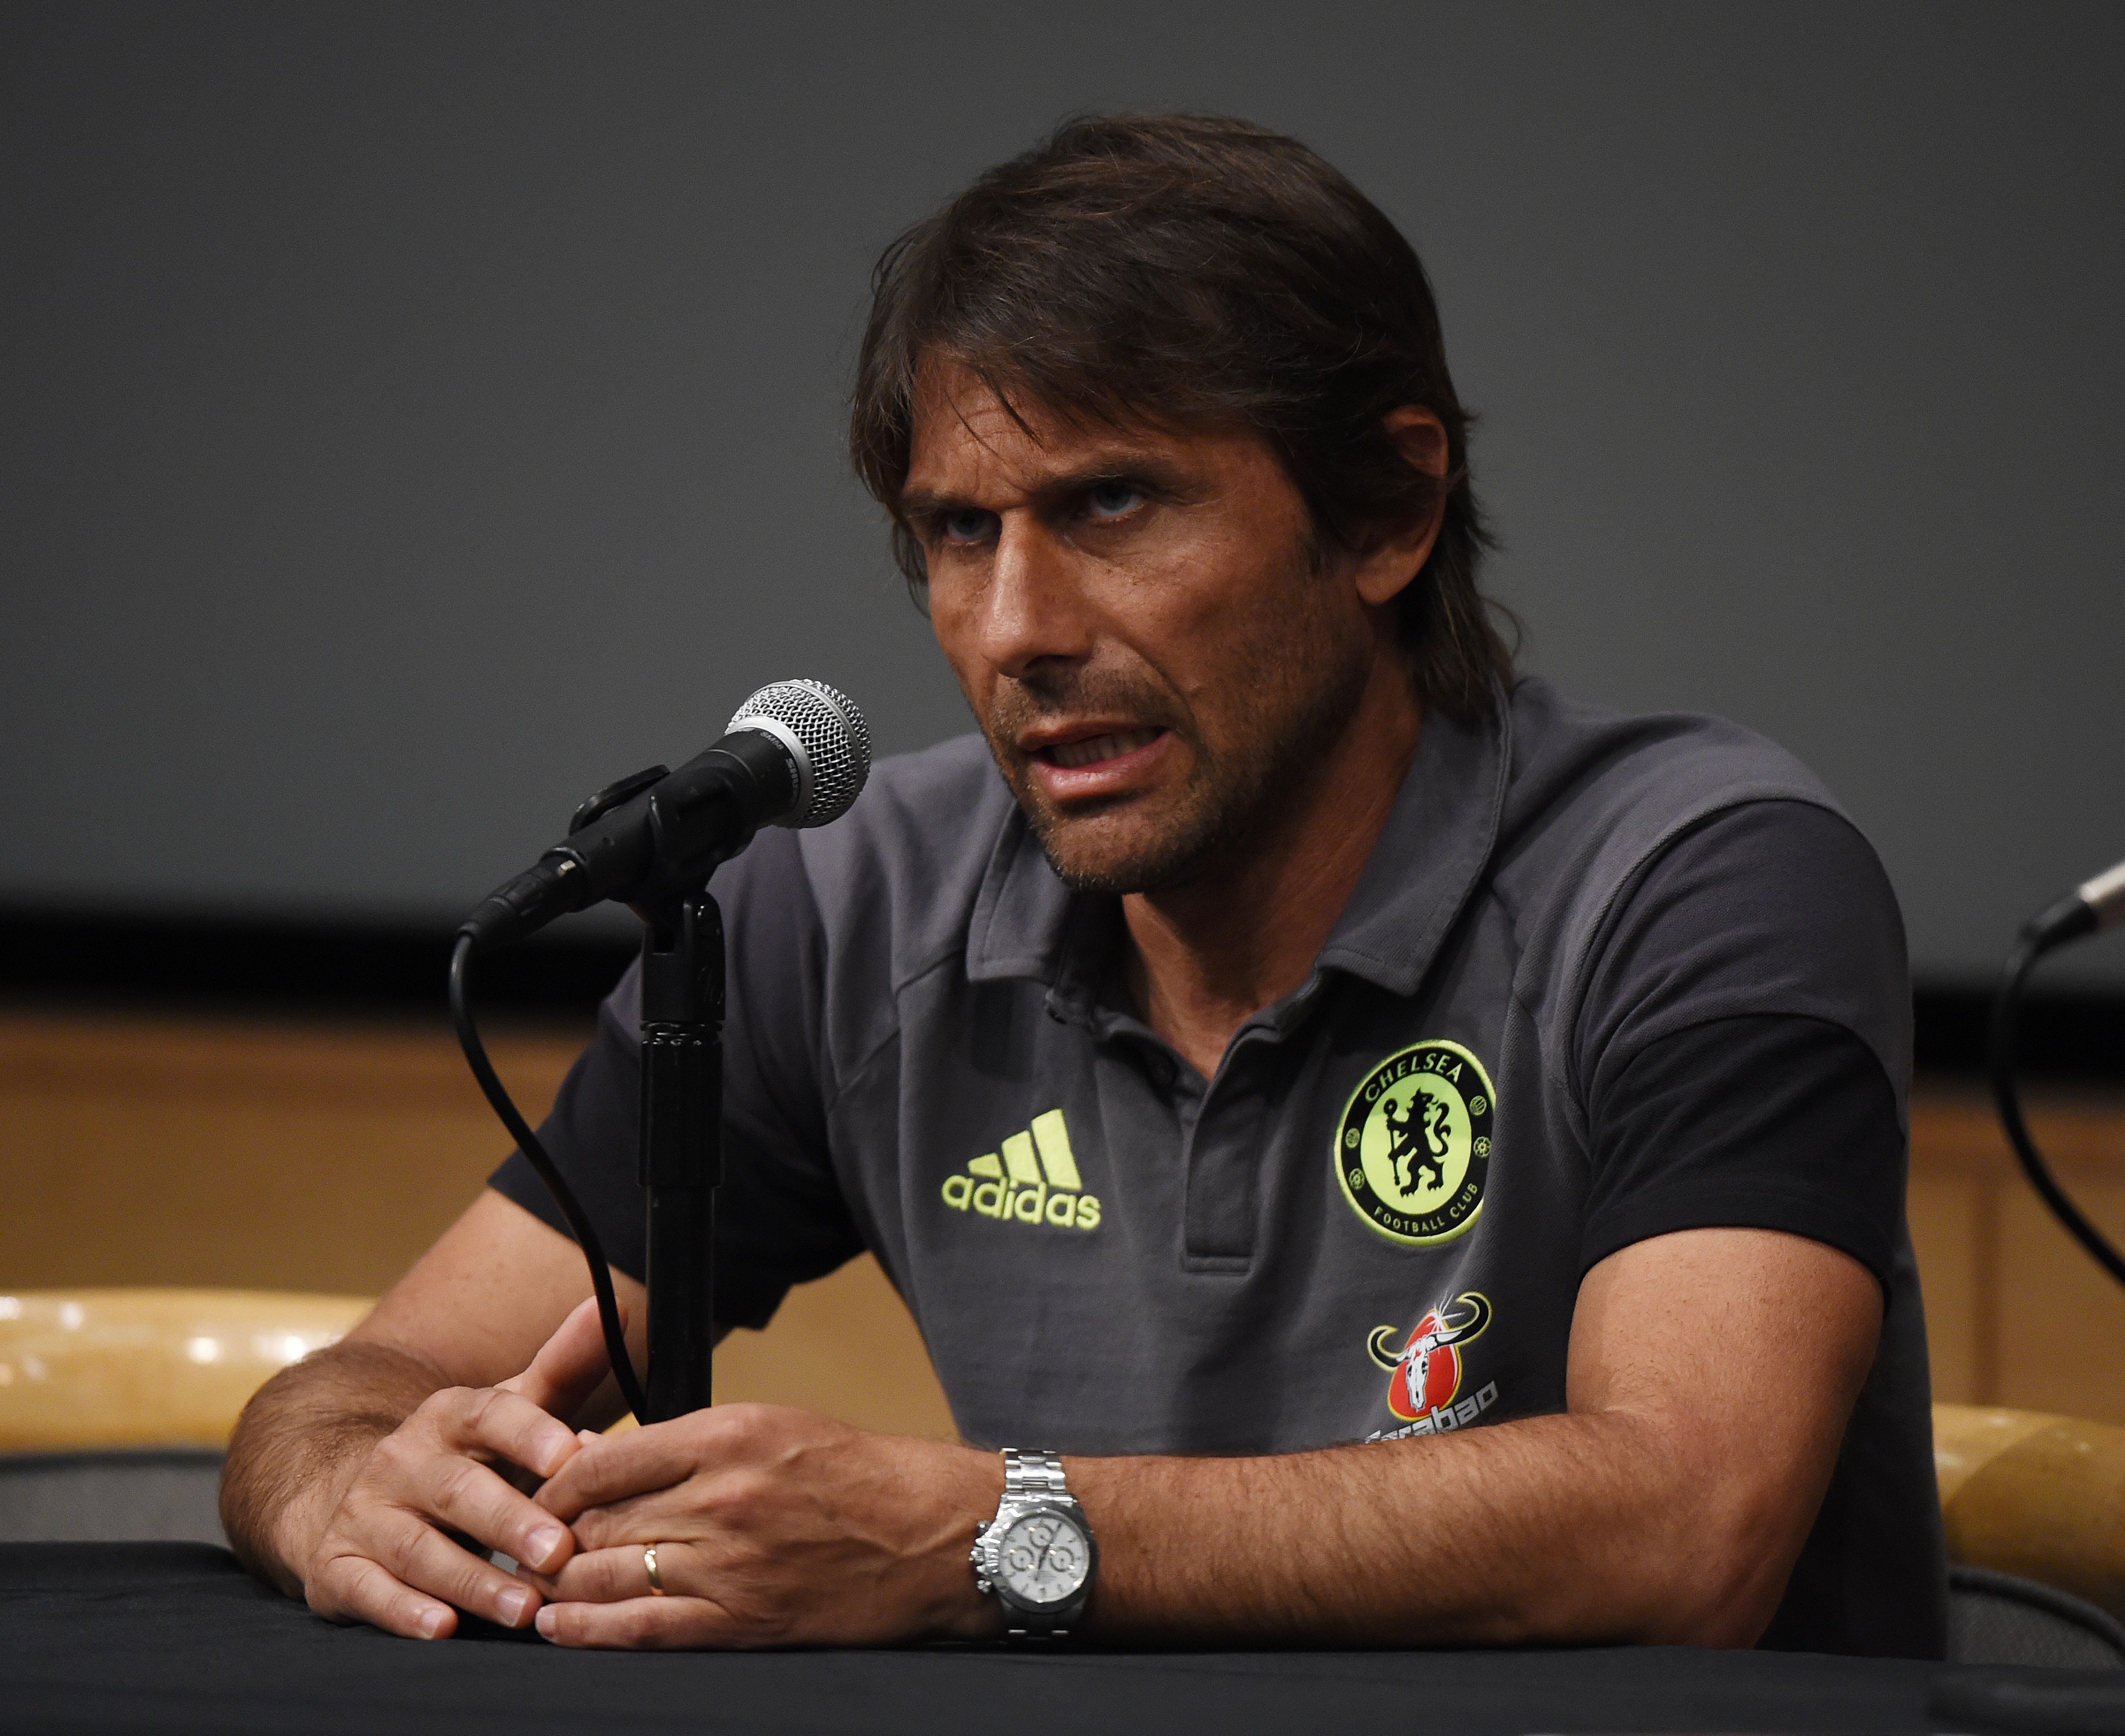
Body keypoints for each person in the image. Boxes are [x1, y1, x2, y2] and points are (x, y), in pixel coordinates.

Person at [221, 113, 1944, 1658]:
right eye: (960, 533)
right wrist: (342, 1489)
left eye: (1111, 503)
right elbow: (358, 1390)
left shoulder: (1703, 879)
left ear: (1392, 512)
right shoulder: (847, 905)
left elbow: (1686, 1520)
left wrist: (987, 1532)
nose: (1015, 630)